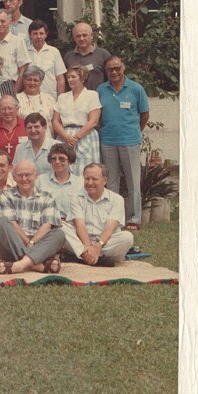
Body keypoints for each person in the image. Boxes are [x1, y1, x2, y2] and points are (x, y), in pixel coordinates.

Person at [97, 56, 149, 230]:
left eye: (117, 68)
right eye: (110, 69)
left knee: (133, 181)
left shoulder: (136, 89)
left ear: (123, 68)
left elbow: (144, 114)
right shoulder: (101, 90)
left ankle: (134, 219)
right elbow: (97, 115)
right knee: (111, 182)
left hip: (130, 141)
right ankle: (114, 219)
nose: (114, 72)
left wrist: (134, 131)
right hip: (108, 141)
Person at [0, 161, 65, 275]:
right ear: (14, 177)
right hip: (13, 244)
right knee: (0, 223)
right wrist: (28, 244)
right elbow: (12, 224)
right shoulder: (6, 195)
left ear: (36, 175)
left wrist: (32, 242)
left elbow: (47, 226)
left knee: (59, 234)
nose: (24, 179)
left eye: (28, 175)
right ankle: (37, 265)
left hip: (39, 244)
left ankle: (19, 265)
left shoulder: (47, 197)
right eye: (20, 175)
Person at [66, 163, 135, 265]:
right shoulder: (76, 198)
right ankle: (96, 258)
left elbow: (110, 228)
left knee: (127, 237)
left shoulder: (116, 199)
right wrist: (88, 247)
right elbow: (79, 225)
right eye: (87, 179)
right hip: (82, 241)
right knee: (61, 227)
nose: (90, 182)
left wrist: (98, 246)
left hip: (106, 243)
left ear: (105, 180)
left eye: (94, 179)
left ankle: (83, 256)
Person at [52, 65, 102, 176]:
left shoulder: (92, 95)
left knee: (86, 171)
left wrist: (76, 138)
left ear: (82, 78)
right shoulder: (62, 97)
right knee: (64, 170)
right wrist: (66, 137)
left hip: (85, 135)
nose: (70, 80)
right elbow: (55, 121)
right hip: (65, 136)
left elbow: (93, 121)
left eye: (73, 77)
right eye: (68, 77)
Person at [37, 142, 84, 227]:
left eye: (62, 159)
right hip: (46, 225)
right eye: (53, 159)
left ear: (70, 160)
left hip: (72, 226)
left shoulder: (80, 183)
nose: (57, 162)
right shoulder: (40, 180)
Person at [0, 9, 30, 91]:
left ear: (10, 22)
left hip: (11, 87)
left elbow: (23, 70)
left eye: (2, 21)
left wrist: (14, 92)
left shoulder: (18, 42)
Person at [63, 21, 111, 91]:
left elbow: (110, 79)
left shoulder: (103, 54)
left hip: (98, 96)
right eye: (78, 36)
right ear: (74, 38)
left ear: (91, 36)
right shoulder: (68, 57)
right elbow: (65, 82)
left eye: (84, 35)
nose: (81, 38)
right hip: (75, 97)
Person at [26, 20, 67, 98]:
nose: (38, 36)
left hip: (51, 98)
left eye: (41, 33)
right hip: (29, 99)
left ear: (46, 34)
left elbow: (60, 78)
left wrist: (60, 100)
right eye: (35, 33)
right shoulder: (25, 52)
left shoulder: (54, 52)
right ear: (30, 35)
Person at [15, 66, 57, 132]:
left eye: (35, 80)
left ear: (41, 82)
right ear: (24, 80)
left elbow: (55, 123)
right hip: (24, 137)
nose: (32, 83)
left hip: (47, 137)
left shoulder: (49, 99)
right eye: (29, 80)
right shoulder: (16, 99)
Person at [0, 95, 27, 160]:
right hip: (0, 165)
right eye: (3, 109)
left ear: (17, 109)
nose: (7, 112)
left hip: (23, 164)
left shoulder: (26, 125)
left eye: (10, 108)